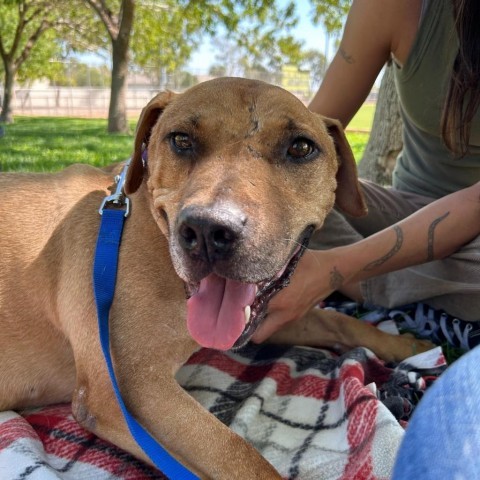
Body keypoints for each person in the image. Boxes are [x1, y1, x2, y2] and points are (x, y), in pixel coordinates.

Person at [252, 0, 480, 345]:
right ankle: (417, 291)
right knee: (298, 192)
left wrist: (332, 270)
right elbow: (306, 140)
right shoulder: (395, 6)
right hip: (404, 213)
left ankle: (367, 287)